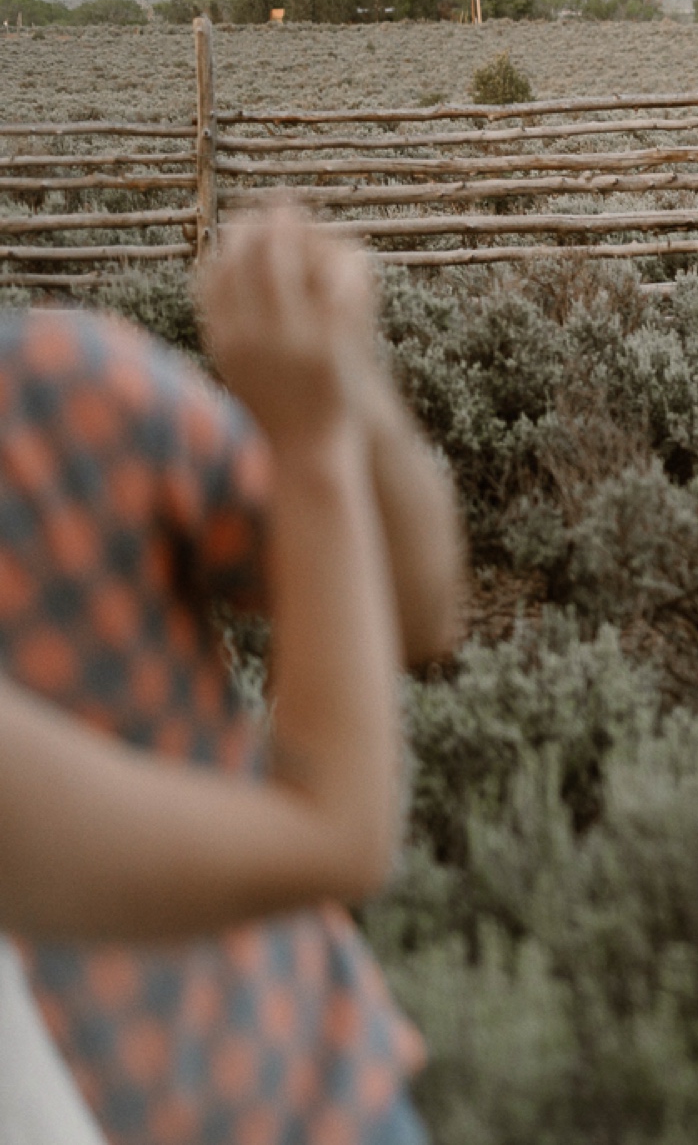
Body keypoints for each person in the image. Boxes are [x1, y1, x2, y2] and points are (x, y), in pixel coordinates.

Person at [0, 207, 469, 1144]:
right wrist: (313, 442)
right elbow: (336, 836)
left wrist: (343, 383)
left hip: (325, 1101)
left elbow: (418, 607)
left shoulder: (57, 389)